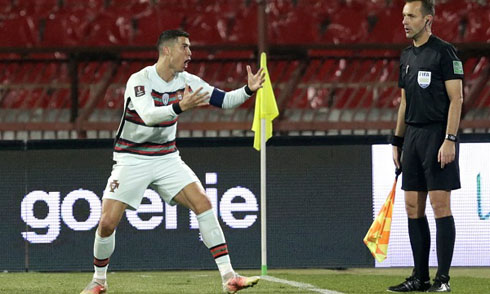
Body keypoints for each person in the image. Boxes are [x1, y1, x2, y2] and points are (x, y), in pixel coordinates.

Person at [80, 29, 265, 294]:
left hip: (166, 157)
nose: (190, 53)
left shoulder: (187, 80)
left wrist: (248, 89)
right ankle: (99, 280)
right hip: (132, 158)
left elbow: (224, 100)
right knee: (107, 222)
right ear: (167, 50)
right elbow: (148, 115)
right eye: (185, 47)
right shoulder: (139, 80)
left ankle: (229, 277)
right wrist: (181, 106)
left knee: (202, 202)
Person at [388, 0, 464, 292]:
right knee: (412, 207)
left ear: (428, 19)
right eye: (403, 16)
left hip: (437, 134)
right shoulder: (406, 55)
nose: (405, 21)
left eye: (411, 16)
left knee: (439, 204)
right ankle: (419, 277)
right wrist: (397, 140)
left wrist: (450, 138)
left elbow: (456, 99)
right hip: (414, 137)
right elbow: (404, 102)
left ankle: (442, 280)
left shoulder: (444, 52)